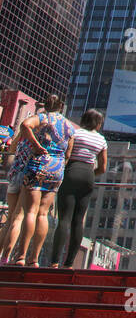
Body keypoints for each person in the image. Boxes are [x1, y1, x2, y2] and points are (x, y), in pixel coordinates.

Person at [0, 96, 74, 267]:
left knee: (30, 212)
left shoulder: (44, 118)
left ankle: (21, 257)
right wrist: (60, 163)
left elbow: (25, 125)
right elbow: (69, 152)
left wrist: (36, 145)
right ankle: (34, 259)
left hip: (39, 164)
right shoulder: (69, 126)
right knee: (43, 214)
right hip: (57, 168)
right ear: (61, 107)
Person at [49, 109, 107, 269]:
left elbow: (67, 153)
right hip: (88, 176)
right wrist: (89, 174)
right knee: (78, 221)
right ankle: (68, 264)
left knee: (64, 219)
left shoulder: (76, 133)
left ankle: (54, 262)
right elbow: (103, 167)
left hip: (72, 171)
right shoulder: (101, 140)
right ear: (99, 123)